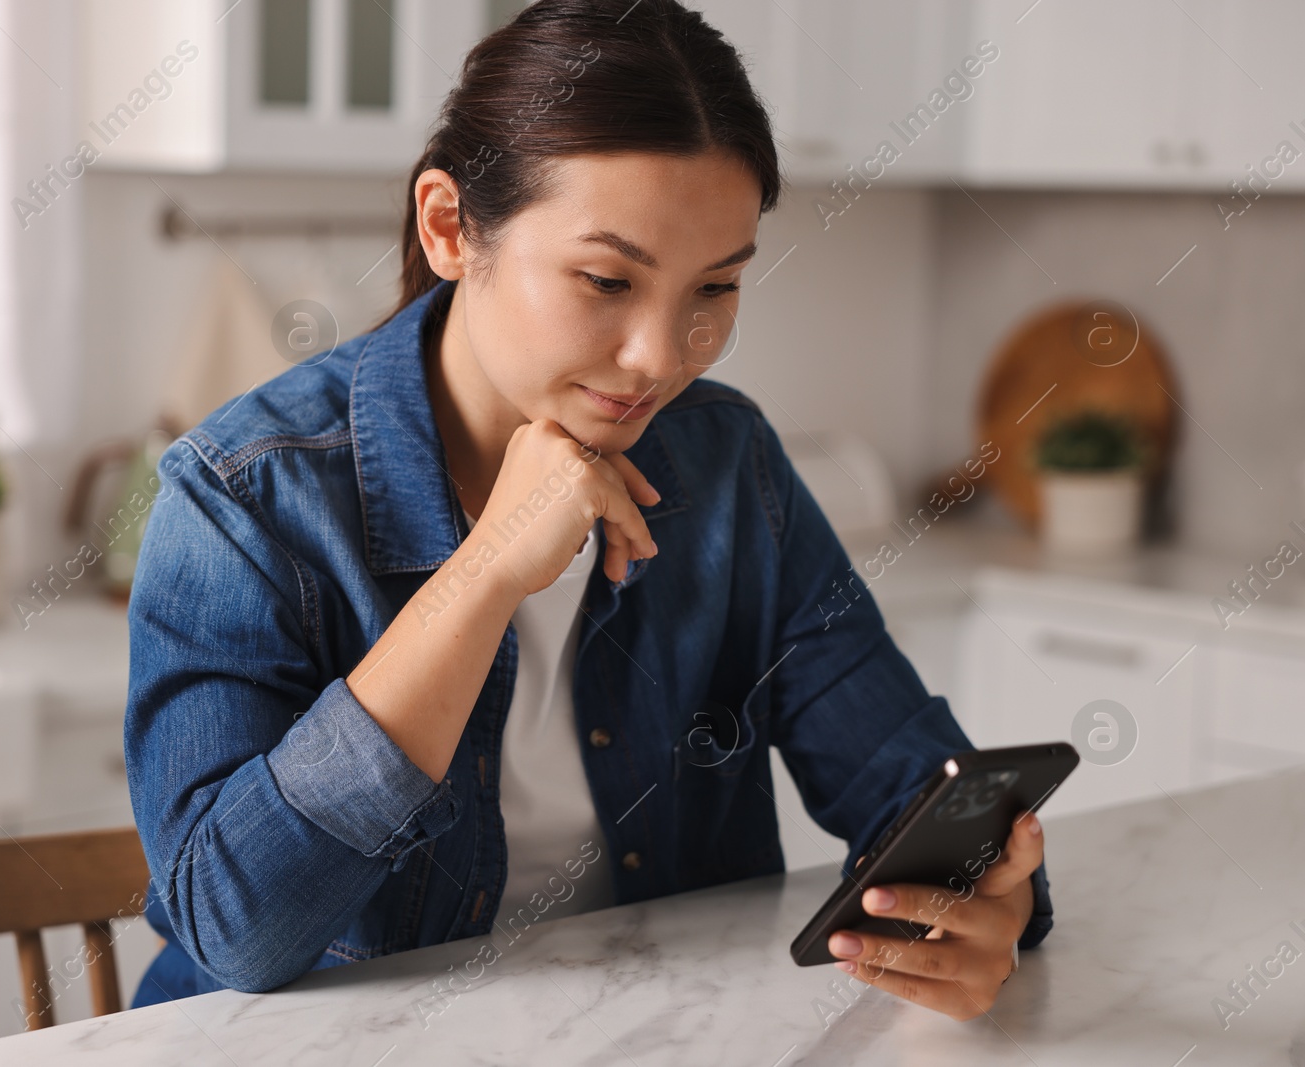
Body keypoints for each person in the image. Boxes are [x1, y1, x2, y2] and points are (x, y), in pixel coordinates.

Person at [124, 0, 1049, 1023]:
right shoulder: (243, 496)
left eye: (716, 286)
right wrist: (482, 574)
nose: (663, 355)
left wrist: (981, 906)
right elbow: (232, 929)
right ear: (447, 227)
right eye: (605, 278)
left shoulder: (726, 464)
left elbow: (916, 787)